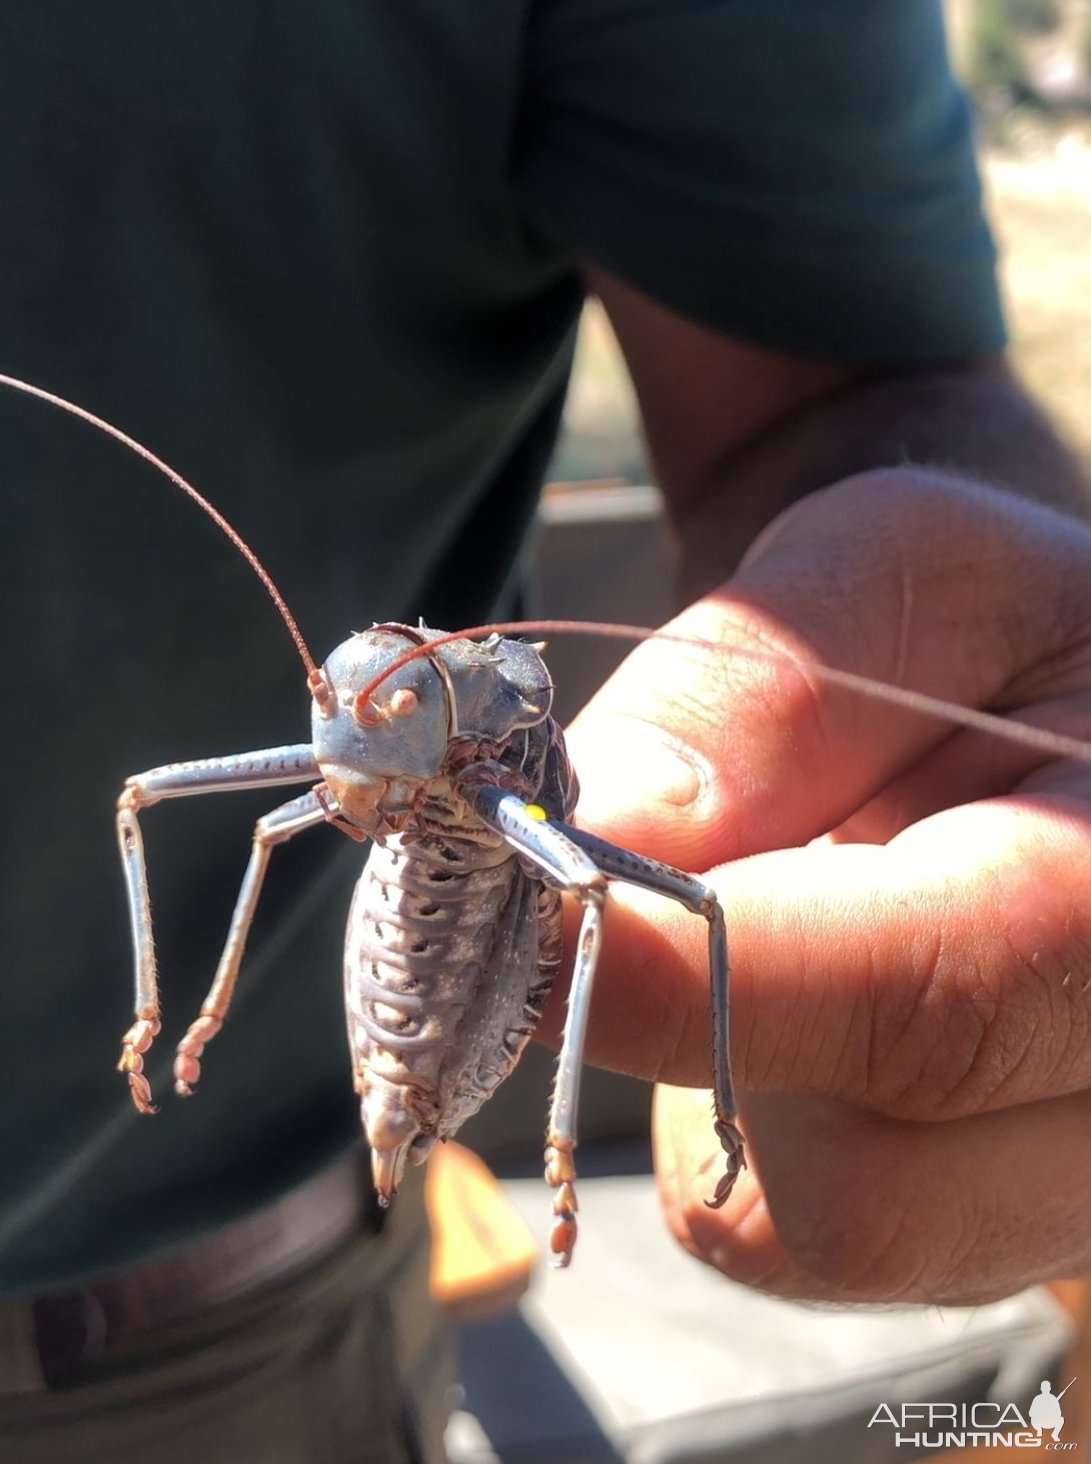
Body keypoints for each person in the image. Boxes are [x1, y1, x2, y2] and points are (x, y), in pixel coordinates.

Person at [0, 0, 1088, 1459]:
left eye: (373, 712)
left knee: (665, 911)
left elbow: (855, 383)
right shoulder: (352, 745)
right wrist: (182, 1016)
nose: (345, 735)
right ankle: (180, 1018)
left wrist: (1005, 639)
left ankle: (565, 1146)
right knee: (196, 798)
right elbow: (251, 809)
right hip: (348, 1022)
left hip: (246, 1321)